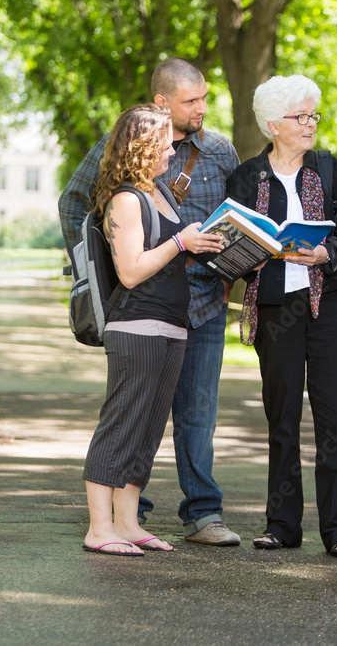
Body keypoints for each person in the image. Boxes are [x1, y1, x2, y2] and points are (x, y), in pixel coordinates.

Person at [59, 58, 242, 546]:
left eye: (204, 98)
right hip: (139, 312)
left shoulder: (209, 158)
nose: (201, 109)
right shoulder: (125, 176)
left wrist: (228, 274)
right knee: (128, 417)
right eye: (191, 101)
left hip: (192, 310)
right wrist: (99, 276)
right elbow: (82, 212)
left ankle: (171, 518)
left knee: (179, 416)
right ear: (161, 107)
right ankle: (113, 520)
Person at [225, 75, 337, 557]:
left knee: (335, 420)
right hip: (277, 308)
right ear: (272, 124)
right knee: (282, 418)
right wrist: (255, 252)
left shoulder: (330, 169)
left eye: (313, 116)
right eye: (300, 117)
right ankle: (282, 525)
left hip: (332, 307)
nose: (310, 125)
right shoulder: (246, 177)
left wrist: (327, 253)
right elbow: (230, 244)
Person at [81, 104, 224, 556]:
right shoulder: (126, 199)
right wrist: (181, 242)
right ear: (143, 147)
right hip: (137, 327)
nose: (171, 149)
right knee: (122, 425)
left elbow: (167, 253)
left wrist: (201, 245)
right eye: (163, 142)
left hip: (172, 326)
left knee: (147, 429)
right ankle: (99, 528)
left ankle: (126, 523)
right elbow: (131, 270)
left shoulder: (160, 191)